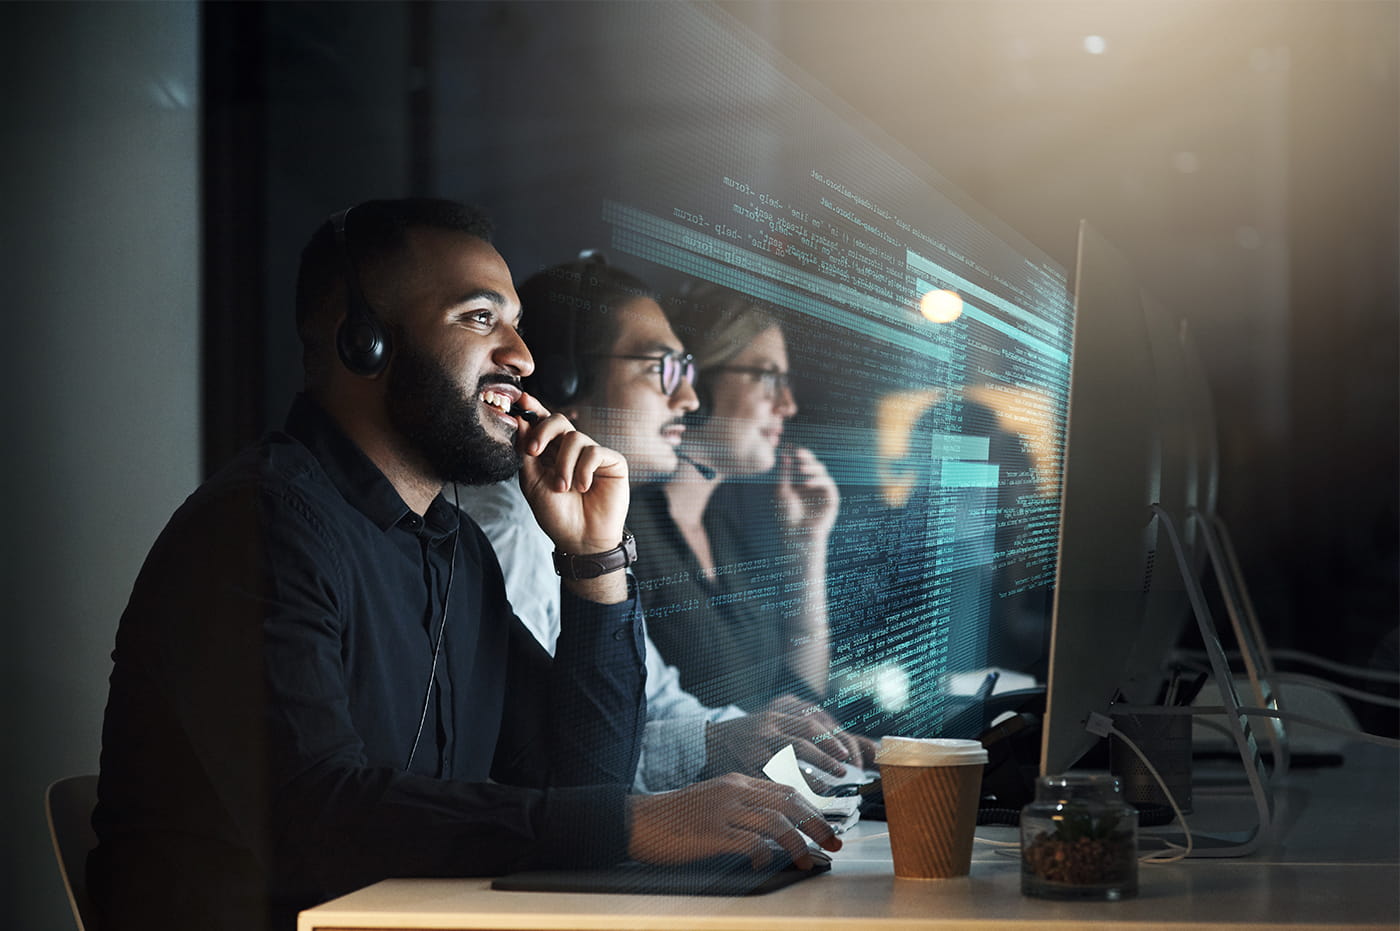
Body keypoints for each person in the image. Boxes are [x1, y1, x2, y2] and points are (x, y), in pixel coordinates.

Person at [89, 201, 838, 931]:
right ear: (365, 343)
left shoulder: (453, 548)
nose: (522, 356)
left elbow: (578, 778)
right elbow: (315, 819)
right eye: (481, 319)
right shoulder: (258, 528)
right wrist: (630, 824)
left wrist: (593, 559)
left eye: (513, 321)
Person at [457, 256, 872, 790]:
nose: (689, 399)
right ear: (571, 382)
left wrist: (751, 735)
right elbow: (553, 760)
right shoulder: (510, 534)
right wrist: (719, 743)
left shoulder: (589, 520)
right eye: (663, 371)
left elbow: (656, 699)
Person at [630, 283, 841, 712]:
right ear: (698, 382)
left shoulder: (720, 531)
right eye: (767, 378)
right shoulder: (623, 533)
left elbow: (797, 702)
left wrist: (808, 545)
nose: (787, 405)